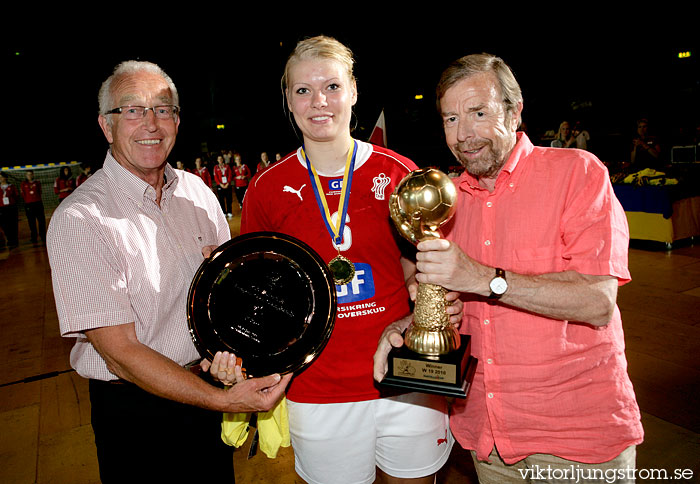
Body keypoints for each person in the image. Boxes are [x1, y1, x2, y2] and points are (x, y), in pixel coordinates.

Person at [375, 53, 643, 483]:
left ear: (515, 112)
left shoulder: (577, 174)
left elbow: (597, 302)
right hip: (489, 444)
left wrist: (483, 278)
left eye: (478, 113)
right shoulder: (449, 200)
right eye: (450, 119)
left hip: (577, 444)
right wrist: (412, 325)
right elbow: (456, 305)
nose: (464, 135)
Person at [211, 35, 459, 484]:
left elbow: (419, 268)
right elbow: (257, 290)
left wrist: (433, 299)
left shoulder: (397, 172)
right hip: (317, 388)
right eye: (302, 90)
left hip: (405, 376)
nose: (318, 101)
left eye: (331, 86)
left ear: (354, 91)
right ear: (288, 100)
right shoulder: (267, 188)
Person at [46, 60, 290, 484]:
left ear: (177, 121)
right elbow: (121, 354)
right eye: (133, 110)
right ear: (106, 125)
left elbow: (223, 300)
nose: (151, 124)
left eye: (163, 109)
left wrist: (237, 360)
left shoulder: (196, 192)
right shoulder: (81, 218)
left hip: (207, 389)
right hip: (136, 415)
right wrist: (226, 402)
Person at [20, 169, 46, 244]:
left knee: (41, 221)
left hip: (38, 203)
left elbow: (39, 192)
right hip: (29, 204)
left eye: (31, 174)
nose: (29, 176)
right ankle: (34, 237)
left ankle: (43, 236)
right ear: (26, 175)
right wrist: (28, 200)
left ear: (33, 175)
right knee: (31, 222)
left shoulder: (37, 182)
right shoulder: (23, 184)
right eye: (28, 174)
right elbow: (23, 194)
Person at [0, 172, 19, 249]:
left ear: (5, 178)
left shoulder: (11, 186)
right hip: (1, 208)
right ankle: (9, 239)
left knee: (13, 224)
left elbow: (16, 196)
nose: (0, 179)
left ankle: (14, 240)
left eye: (1, 177)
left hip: (11, 207)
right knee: (4, 225)